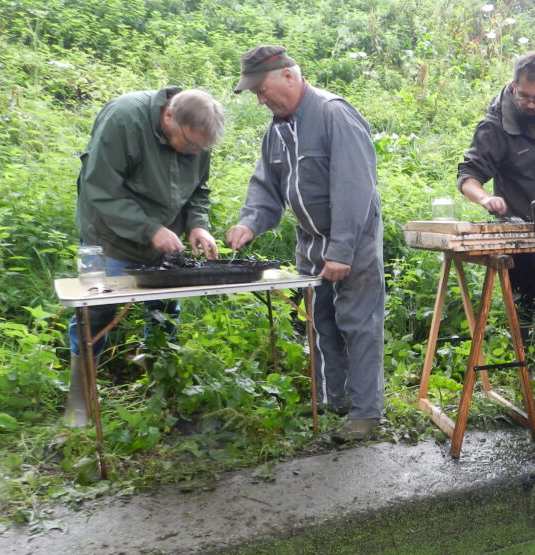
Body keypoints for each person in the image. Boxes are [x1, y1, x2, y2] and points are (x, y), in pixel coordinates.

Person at [226, 46, 384, 442]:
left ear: (289, 77)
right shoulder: (277, 129)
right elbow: (266, 186)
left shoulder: (334, 114)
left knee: (358, 324)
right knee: (320, 323)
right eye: (255, 94)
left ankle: (365, 415)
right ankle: (337, 402)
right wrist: (249, 223)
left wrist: (341, 252)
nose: (260, 100)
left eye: (262, 90)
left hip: (354, 239)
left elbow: (354, 188)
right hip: (310, 242)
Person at [63, 87, 226, 427]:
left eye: (201, 148)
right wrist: (150, 229)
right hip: (108, 236)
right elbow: (100, 190)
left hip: (161, 240)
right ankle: (80, 398)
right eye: (191, 144)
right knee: (95, 312)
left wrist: (198, 225)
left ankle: (159, 385)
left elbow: (199, 190)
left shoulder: (197, 131)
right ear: (169, 116)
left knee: (165, 311)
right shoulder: (124, 119)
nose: (194, 152)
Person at [457, 52, 535, 355]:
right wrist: (486, 197)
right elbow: (467, 176)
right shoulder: (495, 125)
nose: (530, 104)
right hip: (518, 224)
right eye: (524, 96)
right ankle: (526, 362)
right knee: (524, 293)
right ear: (514, 85)